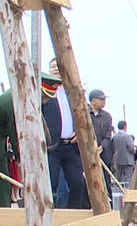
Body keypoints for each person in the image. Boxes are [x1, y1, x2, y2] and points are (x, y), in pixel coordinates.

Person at [44, 58, 88, 210]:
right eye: (52, 67)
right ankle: (51, 214)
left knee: (77, 182)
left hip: (71, 145)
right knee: (51, 184)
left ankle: (73, 213)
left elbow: (83, 114)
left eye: (58, 66)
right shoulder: (46, 92)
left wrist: (80, 131)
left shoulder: (73, 92)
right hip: (52, 146)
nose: (56, 69)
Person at [89, 89, 115, 201]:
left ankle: (109, 202)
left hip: (104, 153)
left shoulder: (107, 116)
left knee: (105, 179)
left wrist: (102, 146)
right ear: (93, 101)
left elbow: (108, 134)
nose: (104, 102)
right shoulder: (85, 113)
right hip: (88, 152)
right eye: (102, 99)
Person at [112, 120, 137, 187]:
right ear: (125, 127)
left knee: (118, 178)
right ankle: (128, 192)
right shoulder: (128, 136)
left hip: (118, 160)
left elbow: (113, 148)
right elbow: (131, 148)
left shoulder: (114, 137)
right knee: (128, 178)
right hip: (128, 160)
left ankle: (118, 190)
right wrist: (134, 150)